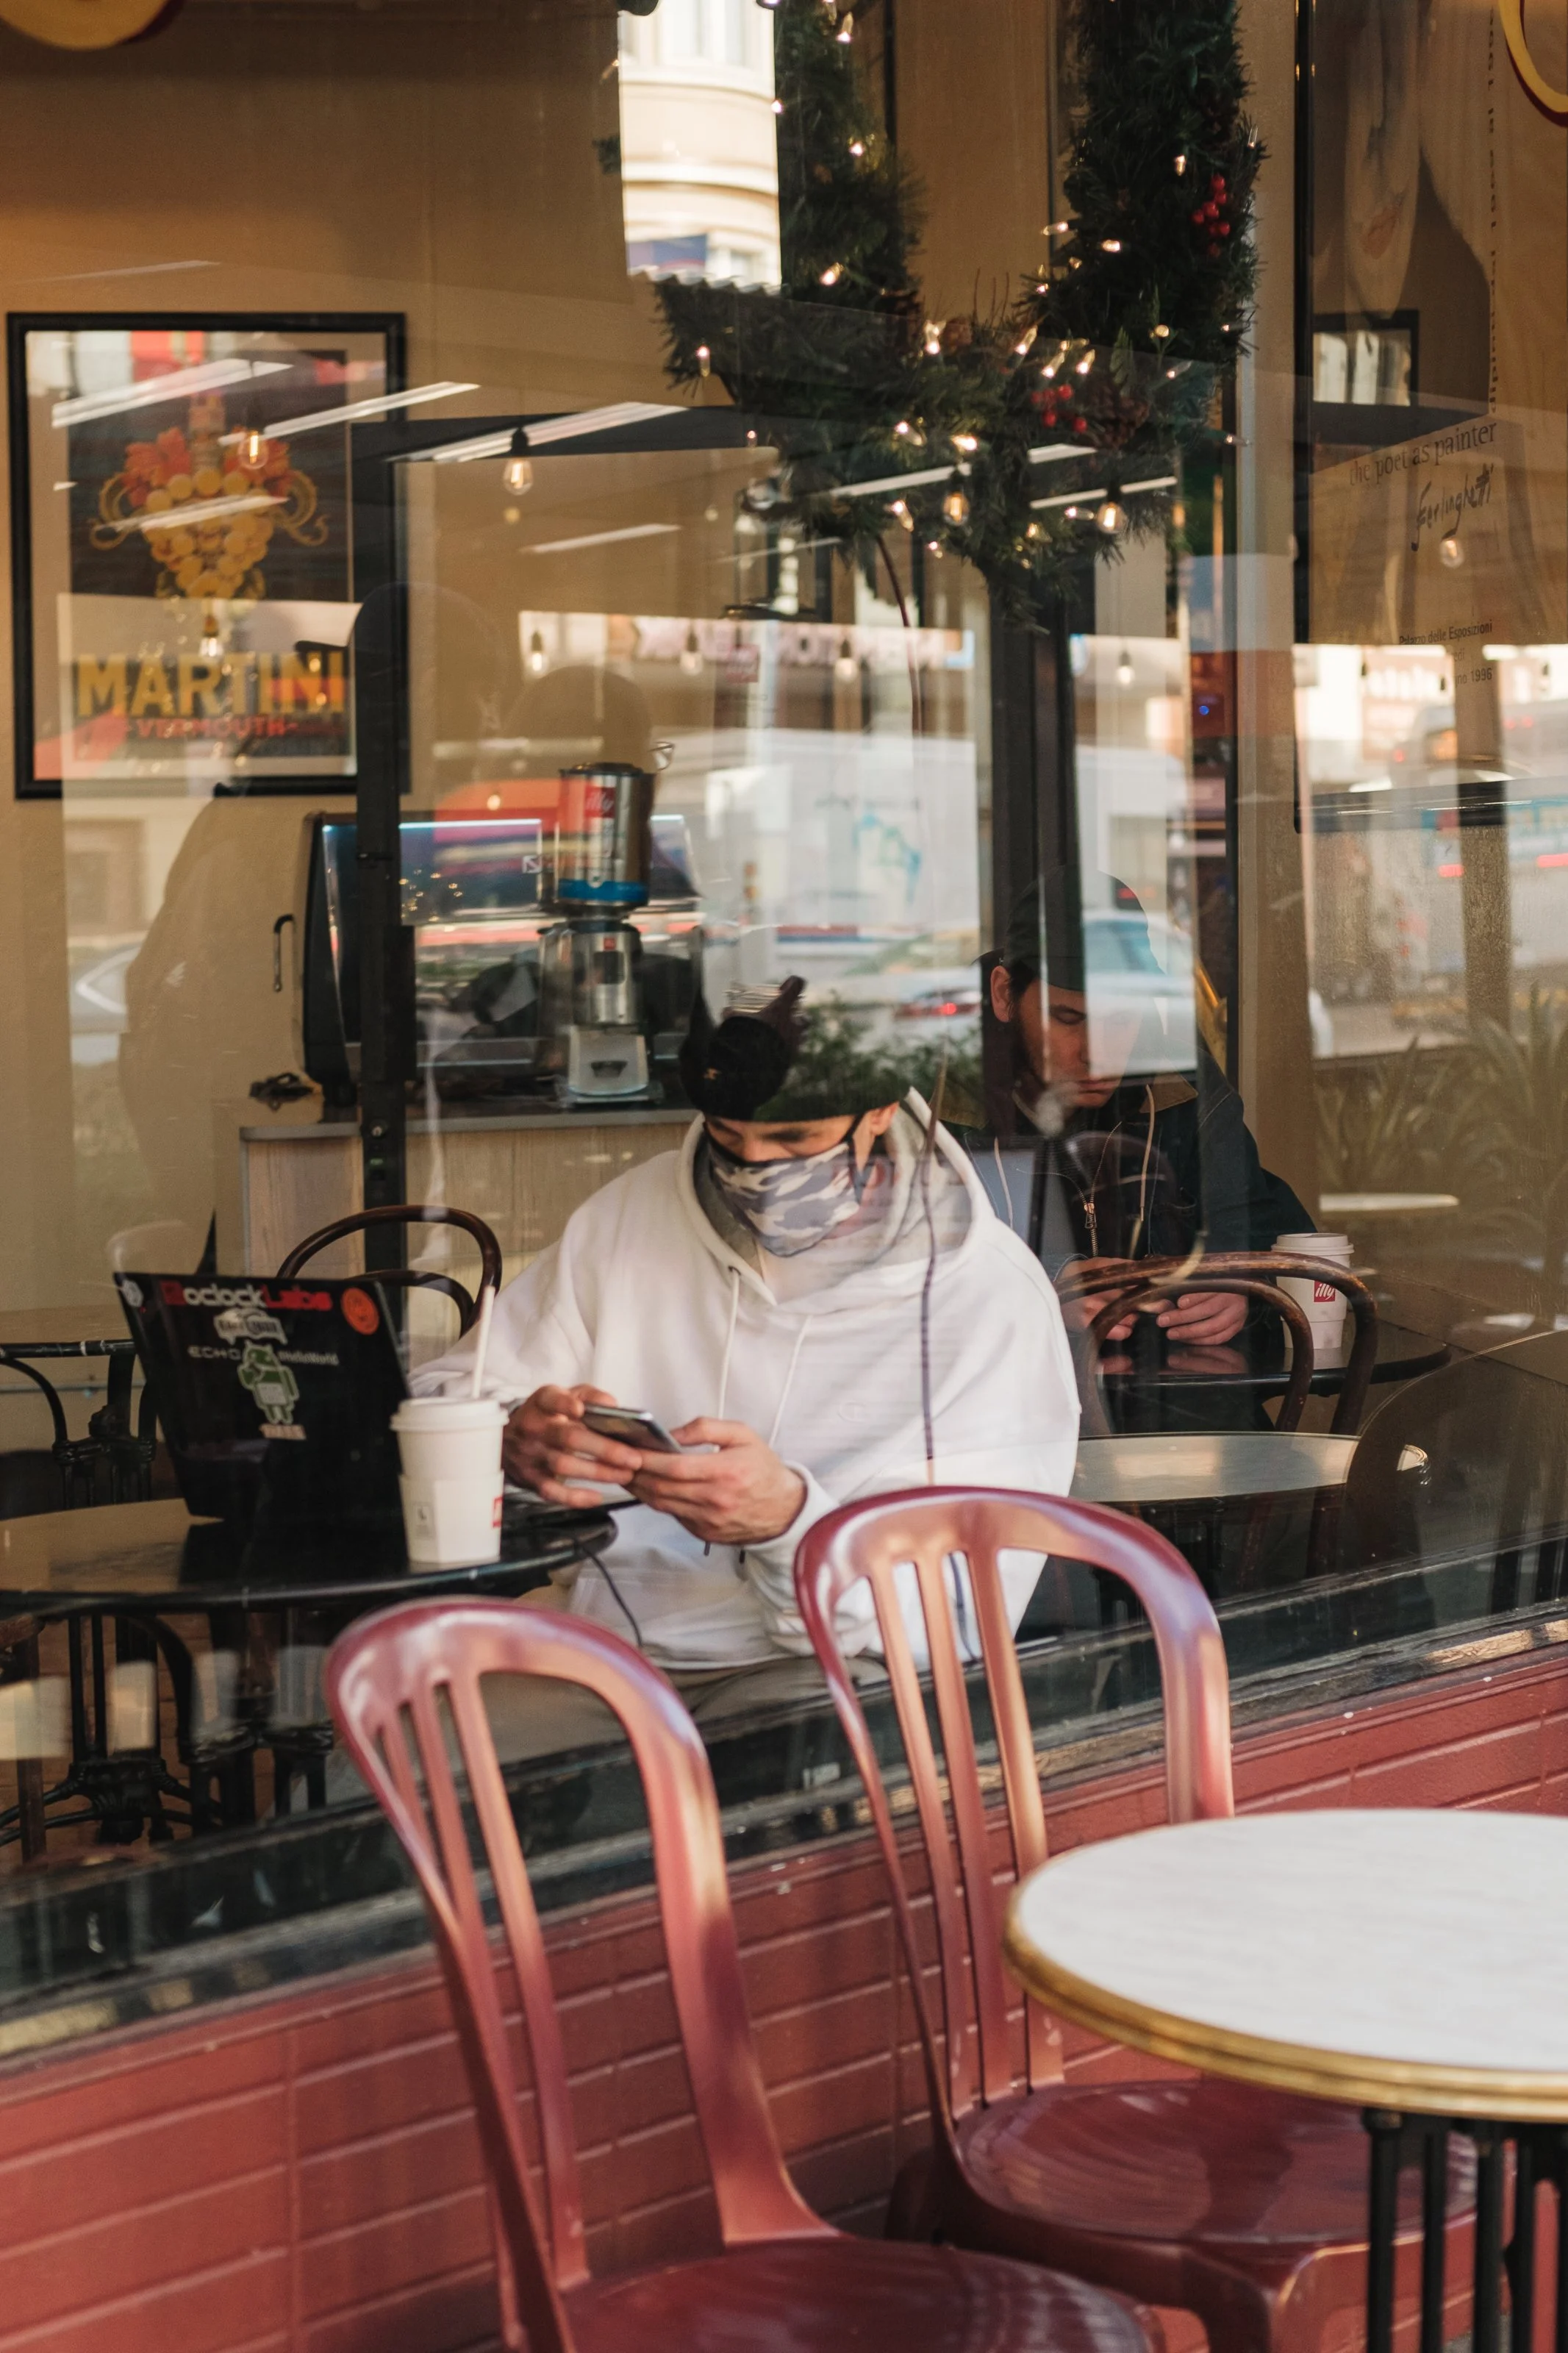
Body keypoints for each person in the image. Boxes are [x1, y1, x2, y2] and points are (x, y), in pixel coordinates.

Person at [415, 977, 1079, 1735]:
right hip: (606, 1646)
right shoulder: (630, 1217)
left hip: (834, 1665)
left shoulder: (984, 1298)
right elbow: (445, 1393)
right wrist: (508, 1435)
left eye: (796, 1142)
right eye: (731, 1138)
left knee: (785, 1770)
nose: (758, 1172)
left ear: (883, 1113)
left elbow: (958, 1614)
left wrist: (788, 1522)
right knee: (408, 1754)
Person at [968, 869, 1312, 1352]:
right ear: (1004, 995)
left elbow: (1255, 1221)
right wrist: (1033, 1285)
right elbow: (897, 1274)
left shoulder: (1184, 1084)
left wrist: (1243, 1288)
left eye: (1122, 1016)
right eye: (1069, 1019)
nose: (1100, 1053)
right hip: (1008, 1411)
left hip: (1179, 1405)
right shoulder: (937, 1108)